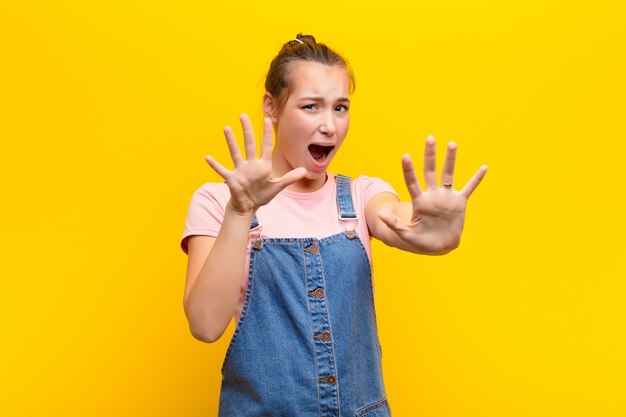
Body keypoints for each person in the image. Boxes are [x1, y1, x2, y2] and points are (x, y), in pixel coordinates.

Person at [181, 33, 487, 417]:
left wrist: (437, 233)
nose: (330, 126)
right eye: (311, 107)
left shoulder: (362, 196)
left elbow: (404, 223)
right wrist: (240, 212)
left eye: (340, 108)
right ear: (271, 107)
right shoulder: (216, 202)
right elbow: (205, 325)